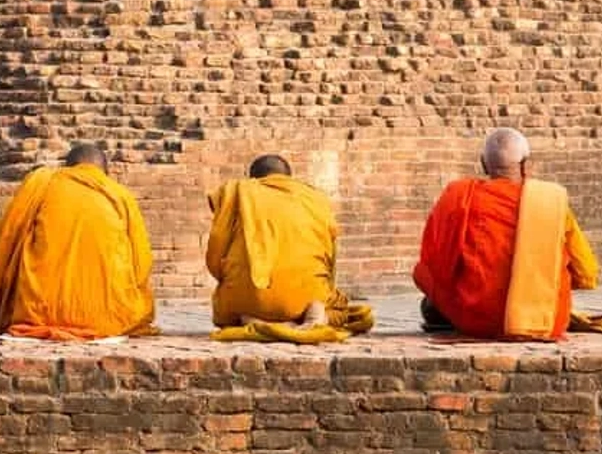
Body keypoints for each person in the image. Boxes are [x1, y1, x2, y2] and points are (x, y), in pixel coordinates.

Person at [414, 127, 597, 340]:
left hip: (478, 319)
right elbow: (587, 275)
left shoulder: (459, 196)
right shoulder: (551, 201)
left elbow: (435, 266)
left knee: (423, 276)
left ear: (483, 163)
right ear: (526, 164)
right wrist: (542, 282)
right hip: (546, 321)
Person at [0, 142, 155, 340]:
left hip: (37, 314)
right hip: (108, 318)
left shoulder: (44, 185)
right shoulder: (120, 195)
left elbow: (0, 241)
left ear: (67, 167)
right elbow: (142, 263)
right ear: (106, 171)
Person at [206, 154, 372, 341]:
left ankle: (253, 318)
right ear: (289, 178)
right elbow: (329, 255)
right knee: (342, 309)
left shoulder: (239, 192)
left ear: (253, 179)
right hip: (305, 296)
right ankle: (319, 315)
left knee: (223, 314)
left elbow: (216, 253)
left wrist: (227, 278)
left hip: (248, 298)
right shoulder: (315, 198)